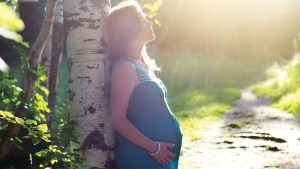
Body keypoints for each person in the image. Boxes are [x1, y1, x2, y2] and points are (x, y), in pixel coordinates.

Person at [106, 1, 183, 169]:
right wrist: (154, 148)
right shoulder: (125, 68)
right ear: (129, 29)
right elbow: (117, 119)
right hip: (142, 156)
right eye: (142, 19)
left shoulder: (140, 64)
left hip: (157, 158)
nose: (149, 23)